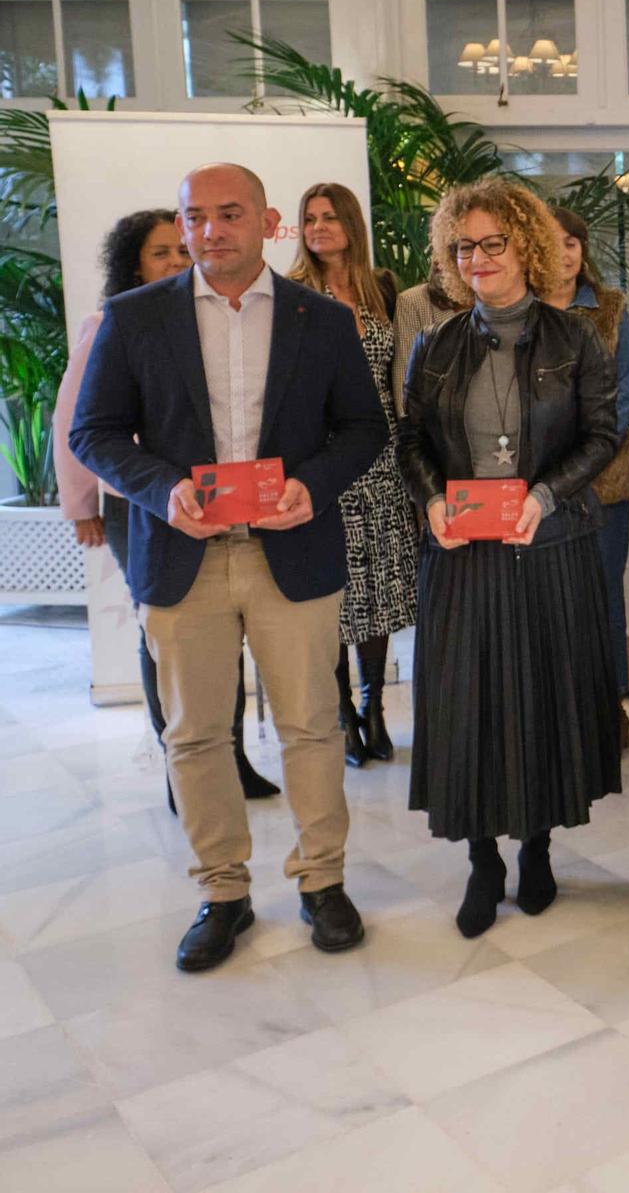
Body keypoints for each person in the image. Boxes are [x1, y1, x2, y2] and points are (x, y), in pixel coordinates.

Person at [69, 162, 384, 972]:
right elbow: (93, 432)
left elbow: (363, 428)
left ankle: (324, 881)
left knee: (313, 724)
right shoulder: (135, 318)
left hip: (293, 553)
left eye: (229, 213)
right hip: (182, 556)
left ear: (268, 221)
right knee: (196, 733)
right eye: (196, 216)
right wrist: (161, 487)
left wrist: (312, 488)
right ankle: (222, 891)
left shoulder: (322, 319)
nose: (211, 231)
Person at [398, 179, 622, 940]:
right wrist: (431, 502)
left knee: (539, 697)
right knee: (469, 705)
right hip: (462, 554)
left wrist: (545, 496)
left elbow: (602, 437)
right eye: (465, 245)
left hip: (546, 547)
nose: (478, 257)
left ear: (525, 244)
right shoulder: (437, 342)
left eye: (493, 242)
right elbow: (413, 442)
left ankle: (537, 847)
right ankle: (481, 857)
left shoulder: (575, 339)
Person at [54, 209, 278, 811]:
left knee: (222, 633)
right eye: (161, 254)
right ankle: (183, 765)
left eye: (181, 252)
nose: (177, 262)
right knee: (168, 636)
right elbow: (75, 425)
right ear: (134, 263)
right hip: (144, 510)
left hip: (225, 502)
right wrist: (81, 506)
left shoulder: (211, 323)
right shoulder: (111, 323)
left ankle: (229, 756)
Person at [288, 181, 418, 768]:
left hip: (384, 456)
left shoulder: (383, 288)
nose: (319, 228)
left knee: (381, 589)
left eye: (329, 217)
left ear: (350, 225)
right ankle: (342, 713)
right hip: (325, 460)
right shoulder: (291, 293)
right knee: (338, 593)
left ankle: (375, 706)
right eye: (310, 219)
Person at [547, 206, 629, 745]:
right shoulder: (523, 308)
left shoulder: (609, 307)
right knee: (550, 599)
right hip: (537, 487)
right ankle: (557, 707)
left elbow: (625, 391)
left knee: (602, 592)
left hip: (603, 480)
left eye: (573, 243)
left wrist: (584, 453)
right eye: (553, 243)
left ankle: (611, 706)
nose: (564, 254)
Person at [393, 268, 463, 416]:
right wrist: (409, 434)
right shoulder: (413, 301)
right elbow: (404, 375)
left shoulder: (496, 299)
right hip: (434, 421)